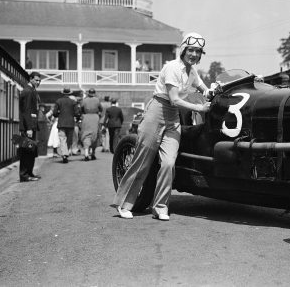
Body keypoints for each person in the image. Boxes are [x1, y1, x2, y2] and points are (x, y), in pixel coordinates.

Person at [113, 32, 211, 220]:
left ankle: (160, 206)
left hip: (173, 118)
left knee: (168, 163)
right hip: (157, 111)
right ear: (183, 50)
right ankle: (124, 204)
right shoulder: (172, 67)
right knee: (142, 161)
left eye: (198, 51)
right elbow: (174, 99)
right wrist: (200, 108)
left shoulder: (192, 72)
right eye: (191, 50)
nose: (194, 54)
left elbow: (204, 89)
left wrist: (215, 91)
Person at [18, 71, 42, 182]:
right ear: (30, 79)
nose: (38, 82)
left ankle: (29, 172)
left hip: (31, 125)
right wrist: (28, 128)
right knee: (26, 151)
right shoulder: (28, 91)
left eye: (39, 80)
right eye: (36, 80)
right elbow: (26, 110)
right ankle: (24, 175)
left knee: (31, 150)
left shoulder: (32, 90)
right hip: (28, 126)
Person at [53, 87, 80, 164]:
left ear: (63, 93)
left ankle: (64, 154)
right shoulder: (73, 102)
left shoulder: (58, 101)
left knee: (62, 139)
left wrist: (60, 113)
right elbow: (77, 113)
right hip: (71, 123)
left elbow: (54, 113)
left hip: (61, 123)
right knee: (69, 140)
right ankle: (66, 153)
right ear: (70, 93)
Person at [80, 88, 102, 161]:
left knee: (86, 134)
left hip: (86, 117)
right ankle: (93, 153)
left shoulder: (84, 100)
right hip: (95, 118)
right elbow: (101, 109)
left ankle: (86, 153)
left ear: (88, 93)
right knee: (95, 134)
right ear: (94, 93)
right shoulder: (97, 100)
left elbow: (81, 109)